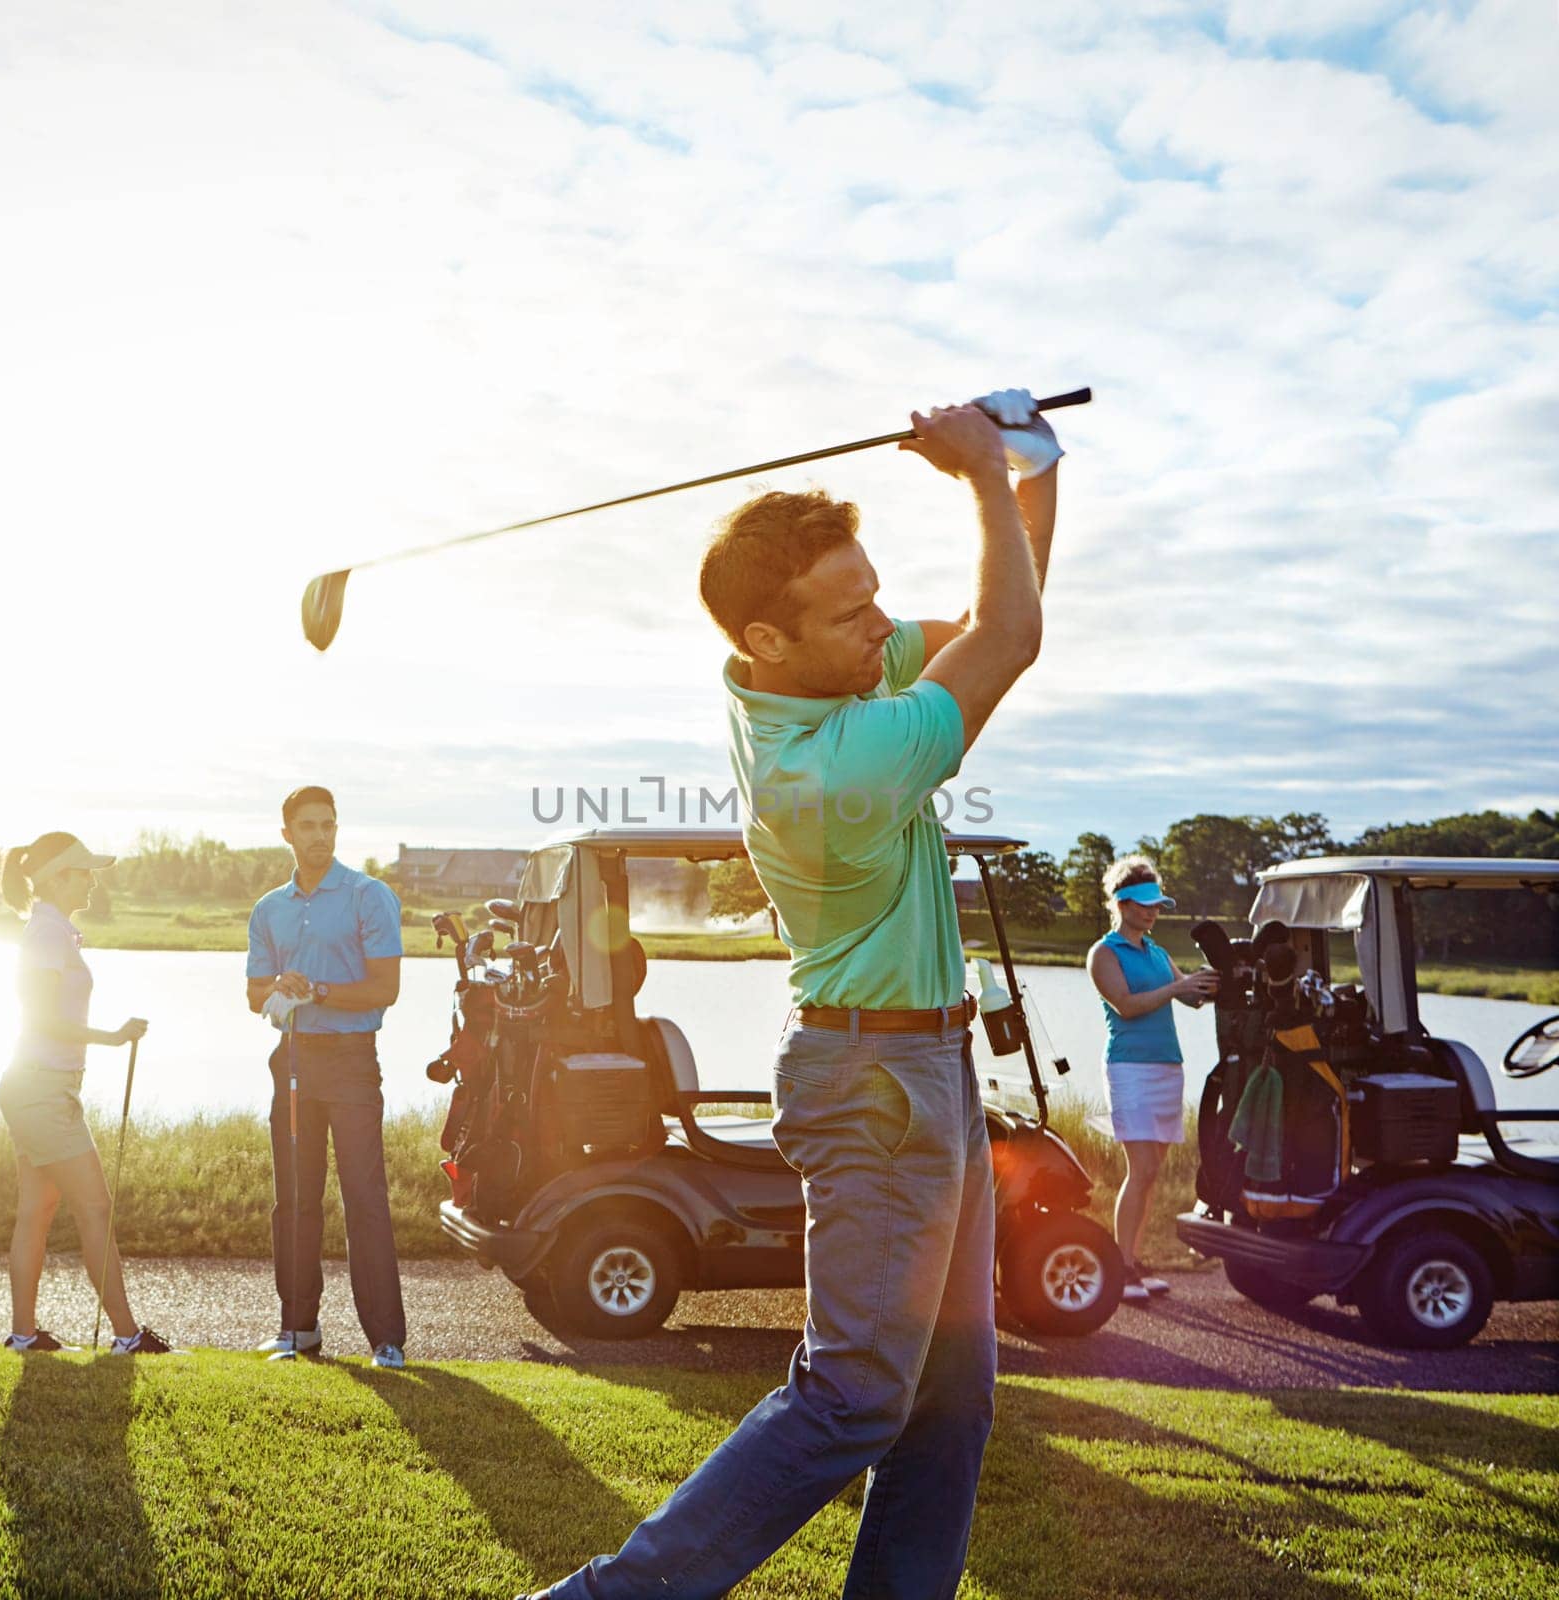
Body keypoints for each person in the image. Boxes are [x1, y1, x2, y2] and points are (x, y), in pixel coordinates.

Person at [520, 390, 1062, 1600]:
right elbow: (1011, 643)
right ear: (769, 638)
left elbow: (995, 611)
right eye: (851, 607)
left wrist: (1027, 457)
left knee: (951, 1398)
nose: (882, 623)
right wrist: (983, 475)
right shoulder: (832, 770)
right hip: (877, 1085)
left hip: (928, 1073)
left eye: (874, 592)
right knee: (856, 1392)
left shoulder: (819, 674)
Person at [245, 786, 407, 1368]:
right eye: (308, 826)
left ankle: (386, 1339)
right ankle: (298, 1329)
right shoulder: (269, 908)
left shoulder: (369, 897)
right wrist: (278, 990)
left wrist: (317, 990)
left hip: (352, 1061)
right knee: (293, 1198)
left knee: (364, 1197)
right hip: (291, 1060)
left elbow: (385, 989)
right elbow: (252, 995)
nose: (320, 835)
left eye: (328, 824)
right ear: (286, 833)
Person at [0, 832, 172, 1354]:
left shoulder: (54, 932)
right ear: (55, 878)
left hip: (38, 1088)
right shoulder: (47, 936)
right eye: (82, 872)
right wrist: (113, 1037)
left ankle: (23, 1336)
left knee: (39, 1209)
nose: (92, 880)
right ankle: (126, 1335)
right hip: (42, 1091)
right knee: (96, 1208)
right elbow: (44, 1019)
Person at [1086, 855, 1218, 1303]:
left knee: (1152, 1172)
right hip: (1130, 1069)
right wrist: (1177, 989)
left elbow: (1190, 999)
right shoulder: (1104, 953)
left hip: (1166, 1068)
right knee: (1140, 1169)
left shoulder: (1157, 953)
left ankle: (1132, 1262)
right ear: (1121, 904)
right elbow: (1126, 1005)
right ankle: (1120, 1269)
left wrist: (1208, 983)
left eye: (1157, 905)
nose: (1152, 911)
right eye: (1144, 904)